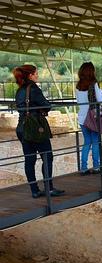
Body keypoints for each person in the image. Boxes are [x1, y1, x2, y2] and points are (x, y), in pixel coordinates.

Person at [12, 65, 64, 198]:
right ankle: (49, 188)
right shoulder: (34, 89)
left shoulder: (19, 90)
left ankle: (34, 190)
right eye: (36, 74)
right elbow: (46, 105)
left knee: (29, 160)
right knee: (47, 157)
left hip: (22, 127)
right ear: (30, 75)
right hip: (36, 128)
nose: (37, 76)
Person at [75, 62, 102, 175]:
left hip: (82, 118)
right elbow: (100, 100)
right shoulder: (94, 84)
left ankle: (83, 167)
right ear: (91, 72)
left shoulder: (78, 85)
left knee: (87, 143)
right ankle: (96, 166)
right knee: (95, 142)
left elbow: (78, 101)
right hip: (93, 118)